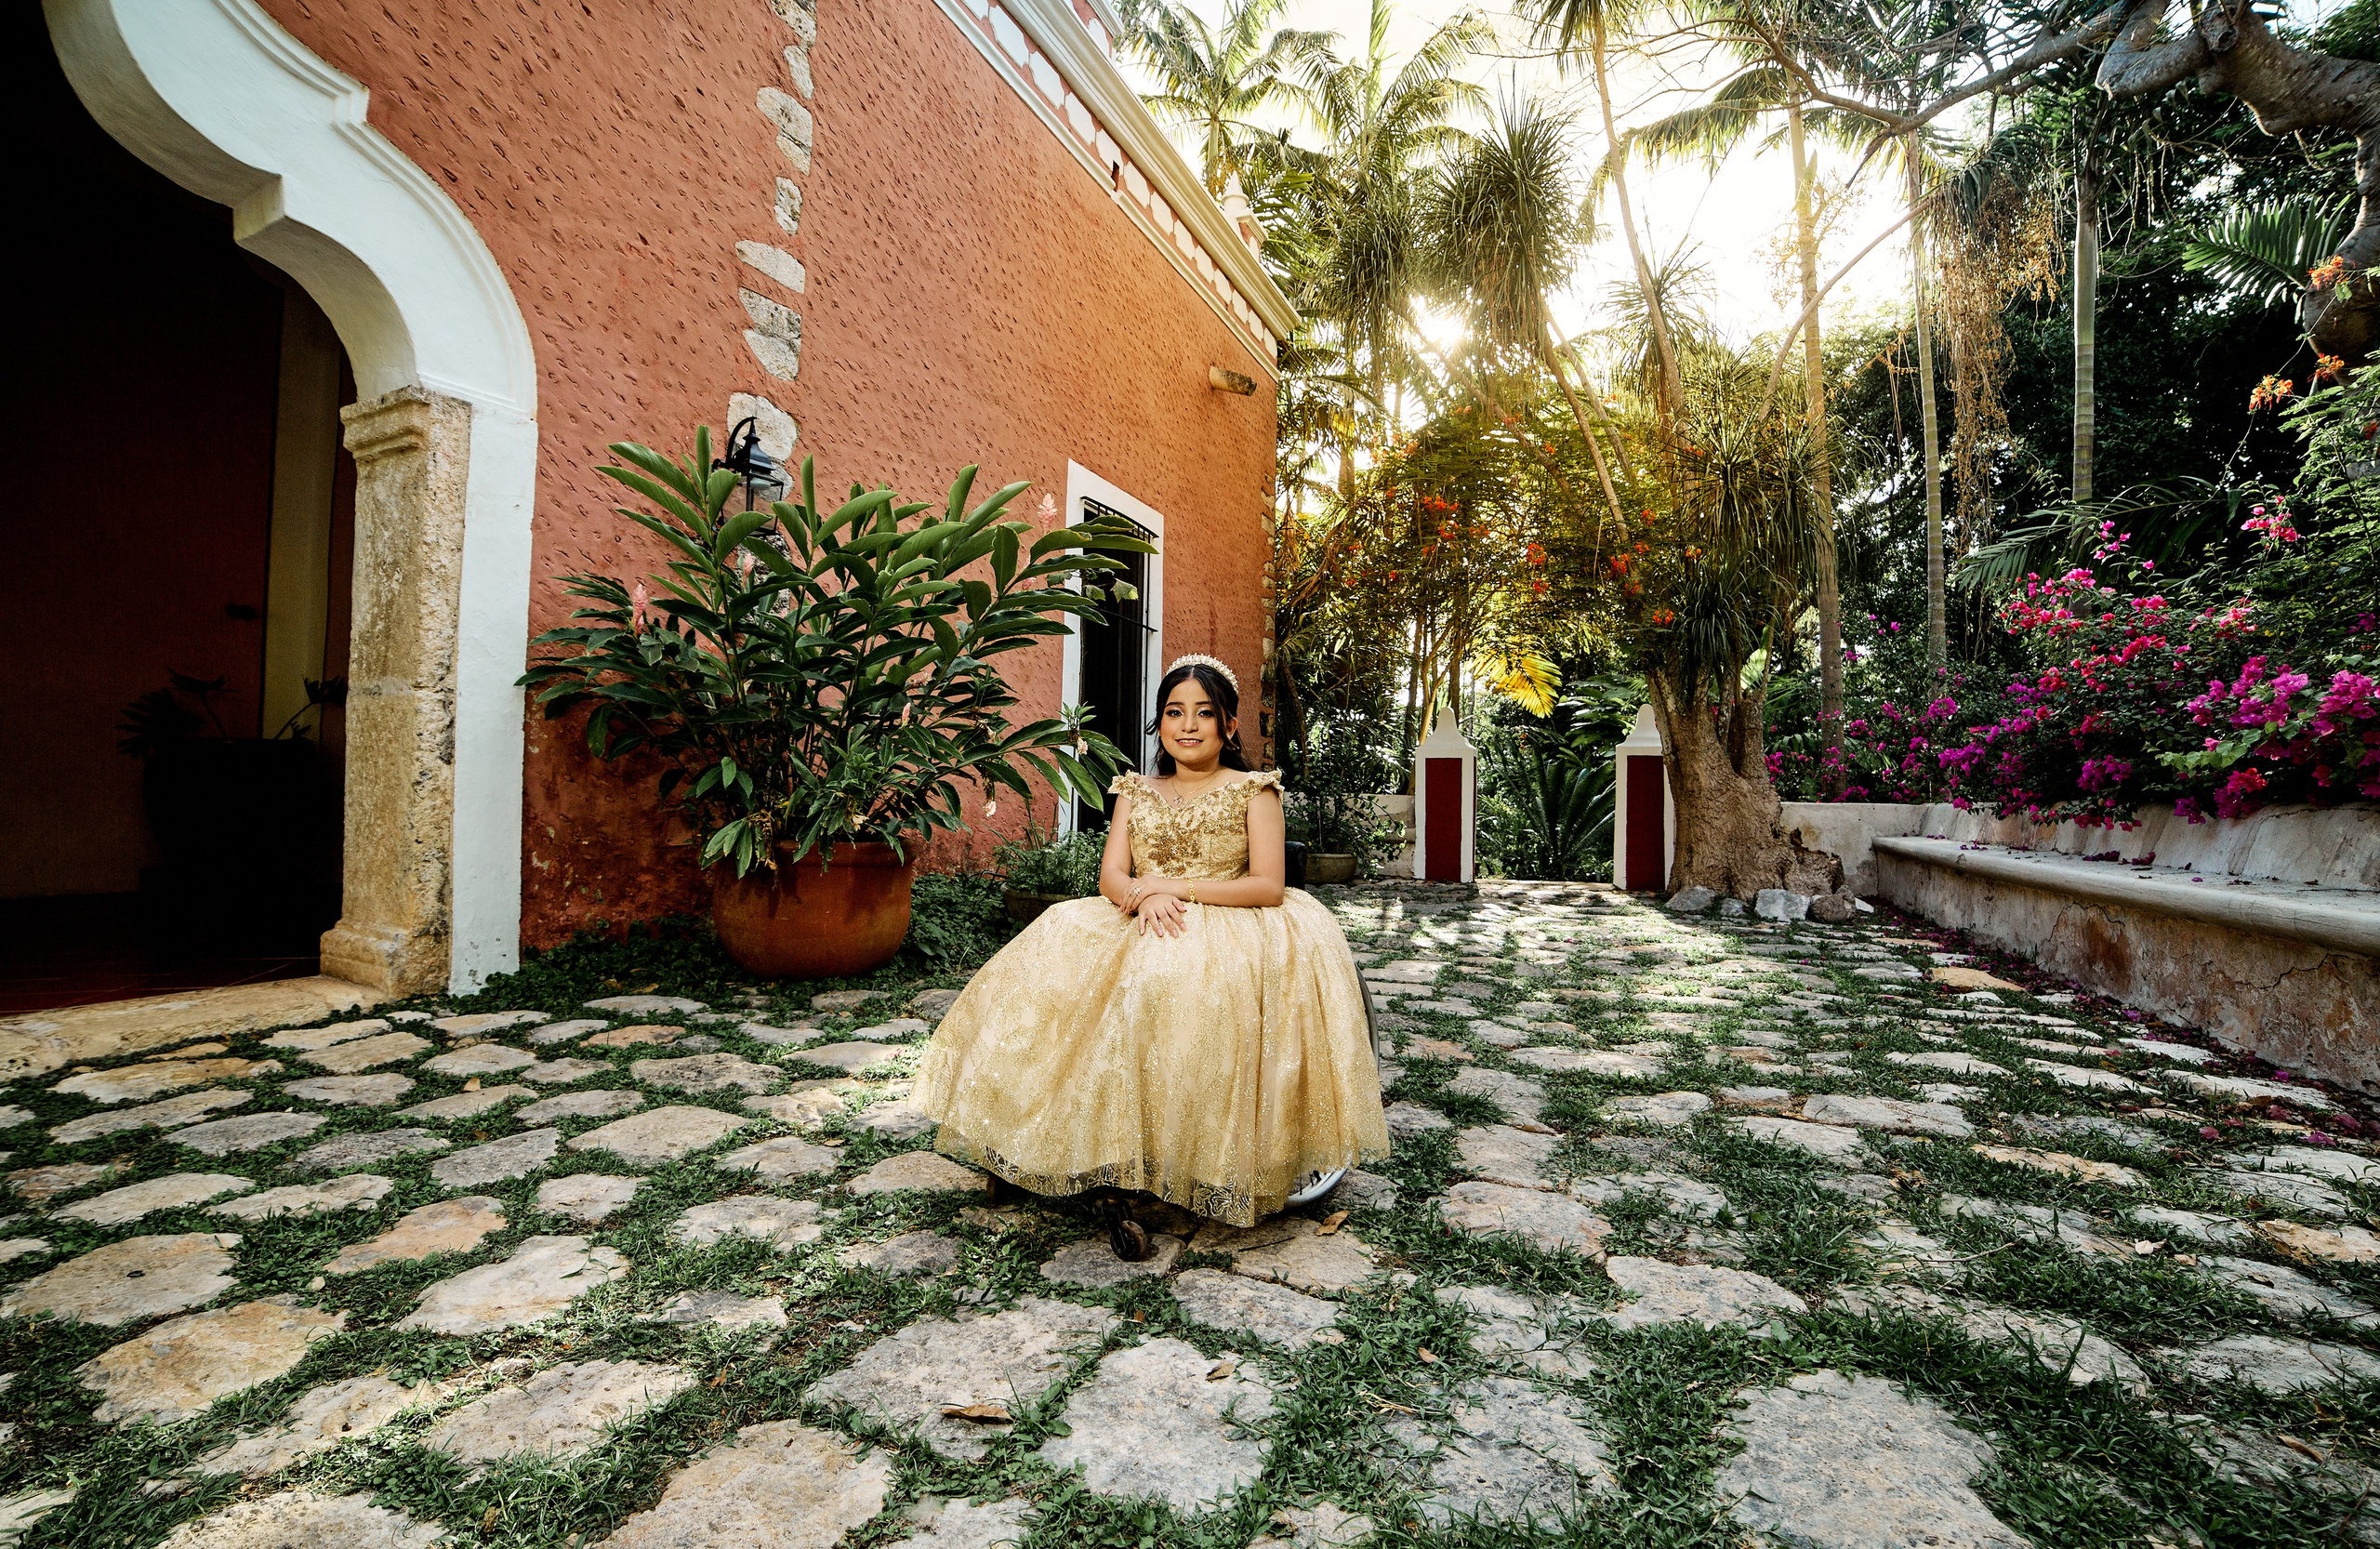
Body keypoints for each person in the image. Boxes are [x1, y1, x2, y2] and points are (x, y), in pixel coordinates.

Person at [911, 654, 1390, 1257]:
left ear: (1229, 727)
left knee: (1172, 981)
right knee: (1055, 953)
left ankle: (1180, 1154)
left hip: (1231, 916)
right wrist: (1139, 894)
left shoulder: (1254, 790)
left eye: (1205, 714)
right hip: (1139, 911)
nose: (1188, 726)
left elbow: (1268, 885)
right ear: (1159, 724)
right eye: (1174, 713)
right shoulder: (1136, 791)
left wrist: (1175, 889)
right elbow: (1112, 874)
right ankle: (1035, 1135)